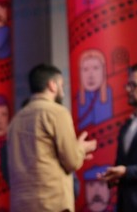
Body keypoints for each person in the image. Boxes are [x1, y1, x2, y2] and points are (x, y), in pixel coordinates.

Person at [7, 63, 97, 212]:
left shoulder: (15, 120)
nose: (63, 90)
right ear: (52, 85)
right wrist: (80, 148)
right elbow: (72, 161)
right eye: (61, 85)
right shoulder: (57, 112)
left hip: (21, 205)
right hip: (51, 204)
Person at [98, 63, 137, 211]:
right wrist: (114, 176)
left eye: (134, 85)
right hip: (126, 204)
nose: (128, 89)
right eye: (127, 85)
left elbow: (127, 169)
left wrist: (127, 172)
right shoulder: (127, 125)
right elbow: (123, 163)